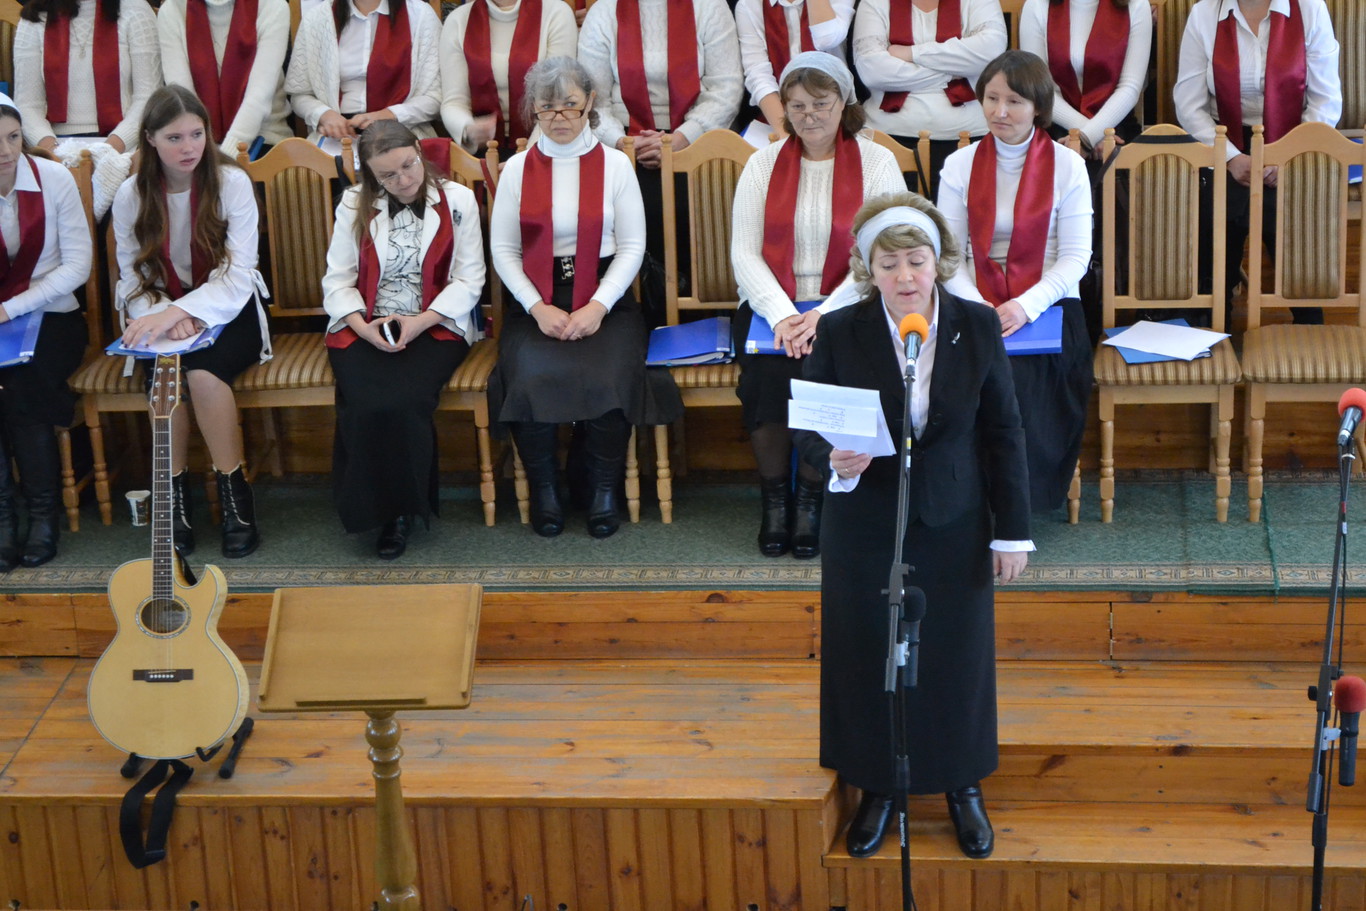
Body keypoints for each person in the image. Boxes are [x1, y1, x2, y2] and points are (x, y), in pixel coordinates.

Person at [796, 191, 1030, 860]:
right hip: (866, 517)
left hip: (954, 513)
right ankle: (876, 785)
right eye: (889, 263)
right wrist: (832, 459)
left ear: (938, 262)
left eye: (916, 261)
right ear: (868, 269)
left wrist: (1011, 531)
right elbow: (808, 430)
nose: (904, 277)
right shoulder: (840, 329)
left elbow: (1004, 431)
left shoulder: (976, 325)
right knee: (868, 649)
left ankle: (962, 784)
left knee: (956, 654)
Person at [488, 57, 681, 539]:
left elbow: (633, 247)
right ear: (533, 109)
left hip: (605, 298)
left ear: (590, 102)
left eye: (570, 105)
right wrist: (538, 308)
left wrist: (598, 306)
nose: (558, 117)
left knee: (610, 375)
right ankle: (546, 491)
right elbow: (505, 250)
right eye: (547, 106)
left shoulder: (616, 165)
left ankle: (602, 490)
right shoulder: (517, 169)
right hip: (536, 300)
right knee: (529, 376)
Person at [730, 51, 903, 559]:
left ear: (843, 102)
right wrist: (783, 313)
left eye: (820, 104)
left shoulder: (878, 163)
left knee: (826, 365)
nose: (809, 116)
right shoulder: (762, 164)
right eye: (797, 106)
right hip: (773, 306)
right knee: (768, 375)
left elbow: (883, 253)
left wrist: (822, 315)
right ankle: (775, 502)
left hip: (849, 304)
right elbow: (744, 252)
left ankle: (811, 498)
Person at [113, 84, 271, 559]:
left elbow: (239, 271)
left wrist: (183, 311)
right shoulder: (131, 195)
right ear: (150, 139)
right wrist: (162, 315)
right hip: (157, 312)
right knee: (166, 375)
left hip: (229, 310)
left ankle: (236, 500)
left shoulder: (231, 182)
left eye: (196, 134)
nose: (189, 148)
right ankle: (173, 503)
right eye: (174, 138)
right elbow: (132, 274)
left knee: (202, 375)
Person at [937, 49, 1093, 515]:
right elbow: (948, 255)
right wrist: (979, 308)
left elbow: (1076, 257)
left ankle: (1021, 506)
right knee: (972, 378)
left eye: (1014, 102)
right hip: (975, 300)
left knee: (1028, 382)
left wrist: (1026, 305)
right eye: (991, 98)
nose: (999, 111)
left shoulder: (1068, 166)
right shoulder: (960, 165)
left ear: (1039, 107)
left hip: (1049, 301)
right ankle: (972, 502)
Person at [321, 120, 485, 559]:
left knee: (405, 399)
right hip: (364, 321)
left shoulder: (458, 199)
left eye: (408, 166)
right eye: (388, 176)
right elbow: (337, 279)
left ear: (418, 150)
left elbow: (470, 279)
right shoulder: (353, 203)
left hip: (435, 322)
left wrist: (419, 323)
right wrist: (363, 327)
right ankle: (370, 511)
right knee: (364, 401)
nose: (404, 180)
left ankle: (402, 512)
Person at [1174, 0, 1340, 325]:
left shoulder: (1309, 9)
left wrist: (1287, 156)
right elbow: (1189, 105)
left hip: (1297, 144)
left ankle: (1308, 325)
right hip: (1223, 142)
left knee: (1292, 222)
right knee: (1219, 217)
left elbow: (1326, 100)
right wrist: (1230, 158)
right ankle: (1216, 322)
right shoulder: (1205, 13)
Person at [0, 95, 93, 570]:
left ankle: (42, 514)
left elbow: (78, 265)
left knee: (22, 380)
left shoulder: (53, 179)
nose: (5, 151)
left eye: (13, 137)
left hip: (53, 316)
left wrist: (10, 308)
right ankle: (3, 519)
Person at [852, 0, 1007, 191]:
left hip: (970, 137)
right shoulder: (875, 3)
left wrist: (911, 53)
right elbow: (873, 71)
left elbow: (991, 51)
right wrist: (954, 72)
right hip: (890, 137)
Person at [12, 0, 161, 155]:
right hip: (53, 144)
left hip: (125, 145)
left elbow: (148, 98)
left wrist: (109, 150)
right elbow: (27, 105)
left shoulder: (136, 10)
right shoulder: (36, 15)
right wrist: (53, 152)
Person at [285, 0, 443, 143]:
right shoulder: (317, 18)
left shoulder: (420, 15)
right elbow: (300, 94)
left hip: (403, 130)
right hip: (337, 135)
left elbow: (435, 97)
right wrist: (323, 114)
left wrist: (389, 115)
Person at [438, 0, 578, 154]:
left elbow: (559, 100)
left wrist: (526, 158)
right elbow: (453, 101)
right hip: (484, 151)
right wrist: (468, 128)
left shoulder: (556, 14)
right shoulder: (458, 20)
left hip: (545, 144)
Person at [157, 0, 294, 157]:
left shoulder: (273, 6)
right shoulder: (172, 11)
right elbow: (184, 100)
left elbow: (259, 97)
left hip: (265, 137)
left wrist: (225, 159)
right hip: (195, 144)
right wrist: (209, 158)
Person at [1019, 0, 1152, 154]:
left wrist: (1088, 136)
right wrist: (1089, 136)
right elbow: (1039, 87)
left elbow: (1130, 86)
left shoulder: (1136, 5)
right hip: (1054, 124)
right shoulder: (1036, 5)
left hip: (1116, 124)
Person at [732, 0, 855, 138]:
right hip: (779, 116)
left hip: (833, 116)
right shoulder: (749, 5)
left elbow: (826, 38)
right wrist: (785, 133)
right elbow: (758, 76)